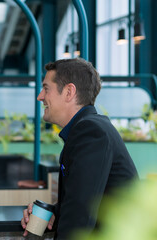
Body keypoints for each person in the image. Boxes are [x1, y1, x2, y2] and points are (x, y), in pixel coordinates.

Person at [21, 58, 138, 239]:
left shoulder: (90, 132)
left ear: (69, 92)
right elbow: (86, 198)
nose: (40, 96)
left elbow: (80, 215)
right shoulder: (89, 128)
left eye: (46, 89)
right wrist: (54, 211)